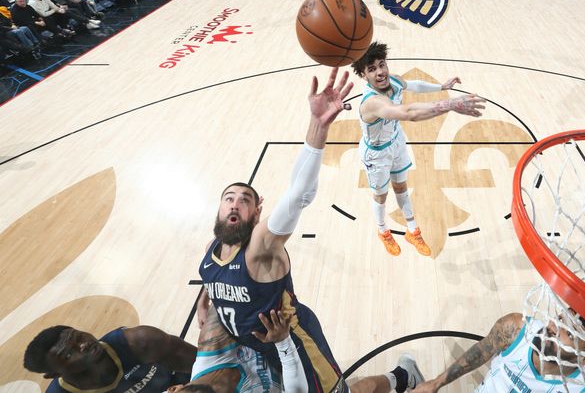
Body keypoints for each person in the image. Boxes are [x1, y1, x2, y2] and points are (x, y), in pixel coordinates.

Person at [197, 67, 353, 393]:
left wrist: (318, 126)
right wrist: (206, 297)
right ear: (220, 208)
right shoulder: (218, 244)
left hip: (296, 344)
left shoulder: (260, 247)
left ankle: (400, 377)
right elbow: (218, 275)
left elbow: (299, 195)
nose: (235, 204)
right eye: (229, 199)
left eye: (245, 200)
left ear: (257, 211)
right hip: (258, 349)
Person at [351, 42, 486, 256]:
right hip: (376, 155)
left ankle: (412, 231)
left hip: (396, 140)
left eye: (381, 65)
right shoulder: (372, 102)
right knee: (381, 195)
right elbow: (409, 113)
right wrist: (450, 105)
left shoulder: (392, 80)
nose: (380, 72)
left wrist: (442, 87)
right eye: (372, 69)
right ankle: (383, 231)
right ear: (363, 75)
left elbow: (413, 84)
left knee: (401, 186)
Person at [175, 306, 423, 393]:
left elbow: (227, 290)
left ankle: (403, 376)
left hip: (289, 331)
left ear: (173, 388)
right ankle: (403, 376)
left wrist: (208, 289)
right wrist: (282, 343)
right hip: (290, 368)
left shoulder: (213, 346)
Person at [410, 311, 585, 392]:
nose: (554, 328)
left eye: (571, 335)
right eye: (562, 319)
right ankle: (405, 375)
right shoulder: (516, 328)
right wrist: (436, 383)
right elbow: (481, 351)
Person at [22, 324, 195, 392]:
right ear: (54, 374)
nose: (84, 345)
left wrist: (193, 387)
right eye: (68, 354)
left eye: (79, 337)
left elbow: (213, 363)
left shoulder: (140, 341)